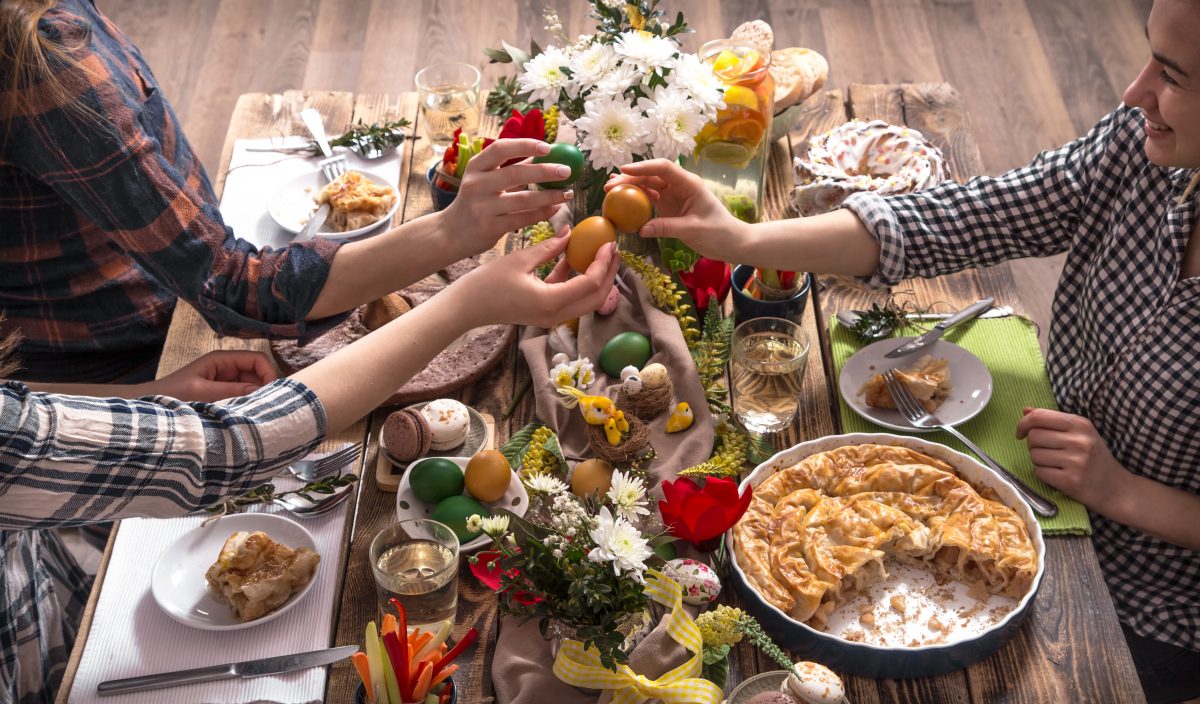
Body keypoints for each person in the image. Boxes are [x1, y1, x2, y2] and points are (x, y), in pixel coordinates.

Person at [610, 1, 1199, 700]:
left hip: (1152, 604)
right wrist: (742, 240)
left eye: (1172, 75)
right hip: (1041, 461)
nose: (1133, 92)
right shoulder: (1144, 150)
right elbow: (967, 216)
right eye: (1147, 58)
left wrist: (1121, 491)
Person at [0, 231, 619, 703]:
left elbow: (22, 411)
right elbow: (233, 447)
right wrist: (465, 306)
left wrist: (149, 398)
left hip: (38, 566)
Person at [0, 0, 573, 384]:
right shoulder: (46, 59)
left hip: (159, 307)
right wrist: (452, 232)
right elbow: (227, 284)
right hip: (131, 359)